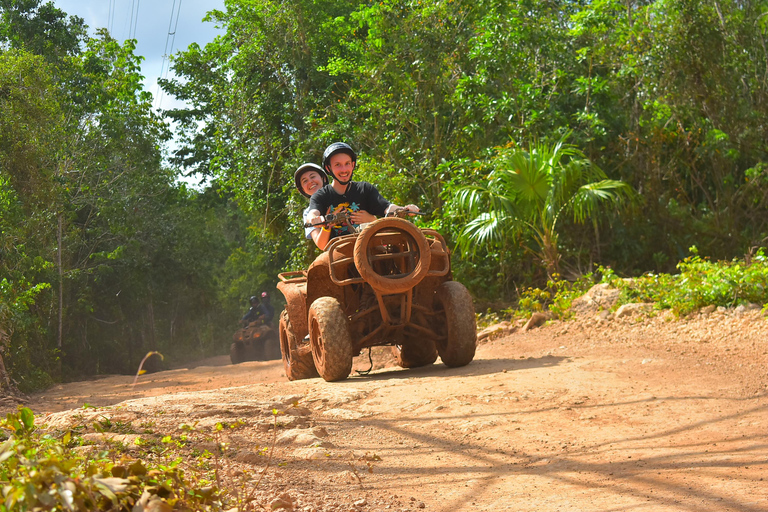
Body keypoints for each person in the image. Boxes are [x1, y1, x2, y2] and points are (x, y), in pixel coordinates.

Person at [306, 142, 419, 250]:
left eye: (347, 164)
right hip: (338, 251)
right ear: (328, 168)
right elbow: (313, 213)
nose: (344, 170)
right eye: (337, 165)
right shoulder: (320, 196)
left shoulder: (365, 189)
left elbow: (387, 207)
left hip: (369, 247)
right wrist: (315, 219)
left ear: (353, 165)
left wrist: (404, 209)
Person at [294, 163, 330, 246]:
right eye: (305, 181)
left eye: (313, 176)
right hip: (334, 249)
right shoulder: (308, 213)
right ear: (302, 189)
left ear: (323, 178)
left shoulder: (338, 193)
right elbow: (321, 244)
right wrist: (327, 226)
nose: (310, 181)